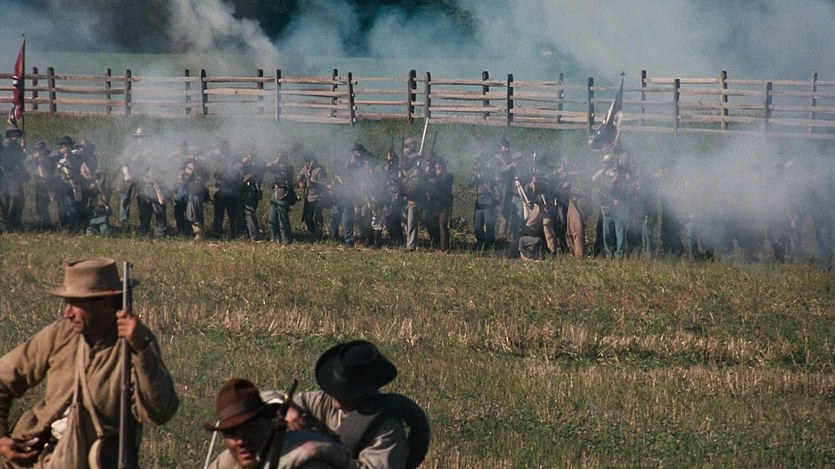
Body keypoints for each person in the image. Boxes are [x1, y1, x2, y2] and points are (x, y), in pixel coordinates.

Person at [0, 257, 179, 468]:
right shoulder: (60, 334)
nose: (67, 313)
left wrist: (141, 350)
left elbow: (160, 412)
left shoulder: (135, 343)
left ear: (105, 304)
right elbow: (3, 378)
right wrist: (1, 439)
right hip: (36, 457)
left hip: (96, 461)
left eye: (76, 305)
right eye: (67, 304)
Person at [287, 340, 430, 469]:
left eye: (345, 397)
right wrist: (286, 409)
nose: (336, 404)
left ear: (365, 393)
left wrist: (324, 452)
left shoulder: (387, 429)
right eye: (335, 393)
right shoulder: (323, 402)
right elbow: (274, 399)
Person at [203, 378, 350, 469]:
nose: (241, 441)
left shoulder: (306, 461)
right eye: (231, 433)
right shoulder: (226, 463)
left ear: (269, 423)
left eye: (250, 429)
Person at [468, 153, 499, 250]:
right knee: (477, 225)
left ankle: (490, 244)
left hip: (488, 198)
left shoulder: (489, 171)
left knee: (489, 224)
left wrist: (483, 173)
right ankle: (480, 243)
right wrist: (475, 175)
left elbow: (494, 181)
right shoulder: (475, 172)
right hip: (479, 199)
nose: (479, 163)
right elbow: (470, 184)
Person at [265, 151, 296, 245]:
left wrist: (279, 163)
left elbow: (286, 174)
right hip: (275, 193)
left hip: (283, 193)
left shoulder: (289, 167)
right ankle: (274, 238)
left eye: (282, 157)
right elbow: (267, 167)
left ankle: (286, 240)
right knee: (272, 218)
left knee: (283, 219)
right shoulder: (277, 166)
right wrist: (275, 161)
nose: (280, 159)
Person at [426, 156, 453, 252]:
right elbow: (428, 187)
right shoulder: (433, 175)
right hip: (433, 204)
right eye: (436, 164)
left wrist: (435, 176)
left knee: (442, 226)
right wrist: (428, 174)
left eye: (439, 164)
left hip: (443, 205)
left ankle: (444, 248)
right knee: (430, 225)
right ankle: (436, 243)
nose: (438, 166)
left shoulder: (447, 175)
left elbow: (440, 184)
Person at [298, 153, 328, 240]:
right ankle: (313, 233)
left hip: (318, 197)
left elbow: (323, 184)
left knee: (317, 216)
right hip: (309, 197)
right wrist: (301, 182)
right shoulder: (305, 168)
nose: (308, 164)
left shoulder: (320, 170)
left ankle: (319, 234)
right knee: (307, 217)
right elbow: (299, 177)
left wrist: (313, 184)